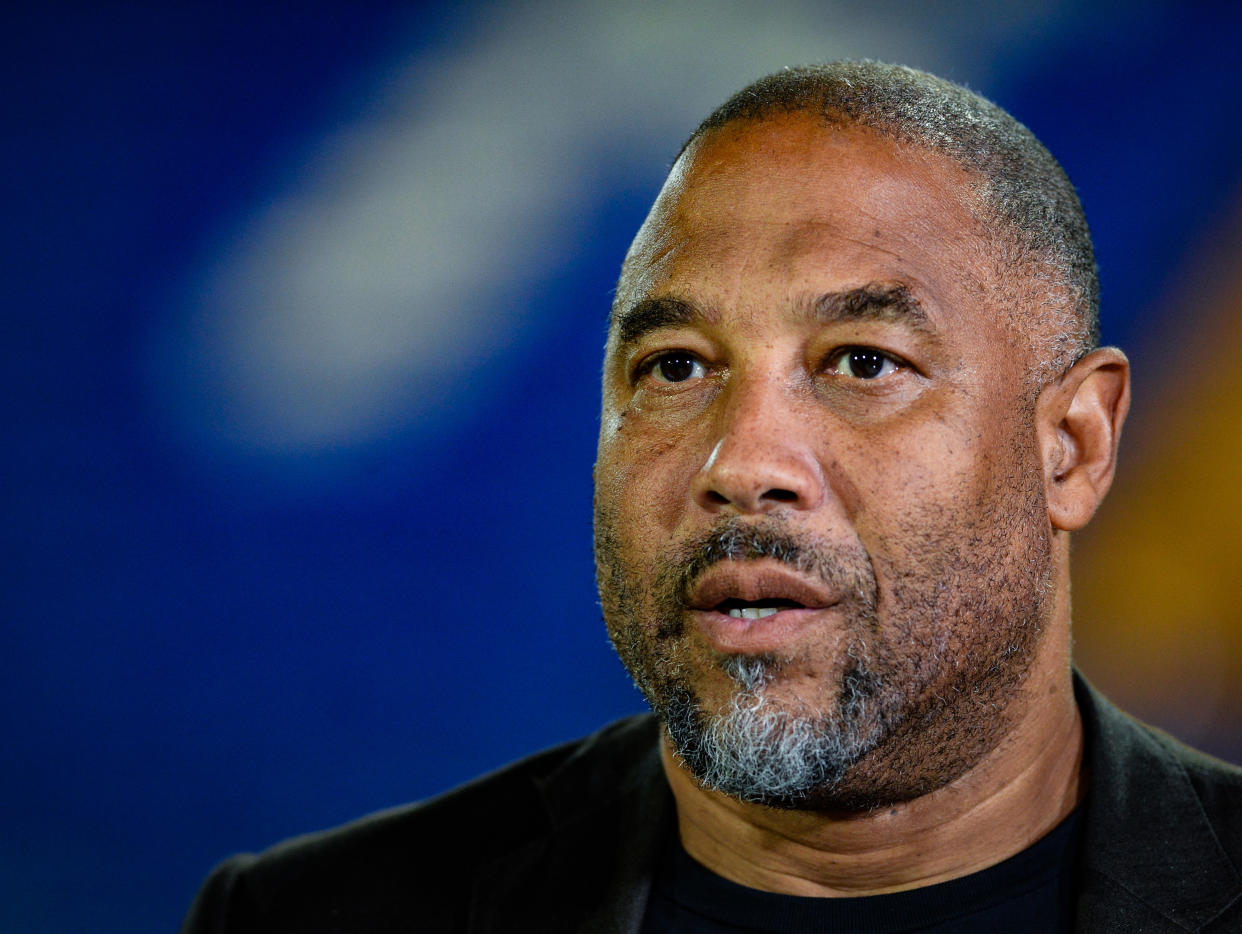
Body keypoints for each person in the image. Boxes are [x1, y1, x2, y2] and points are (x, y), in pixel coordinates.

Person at [181, 61, 1242, 933]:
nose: (743, 461)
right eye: (677, 367)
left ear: (1074, 445)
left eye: (863, 362)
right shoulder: (304, 919)